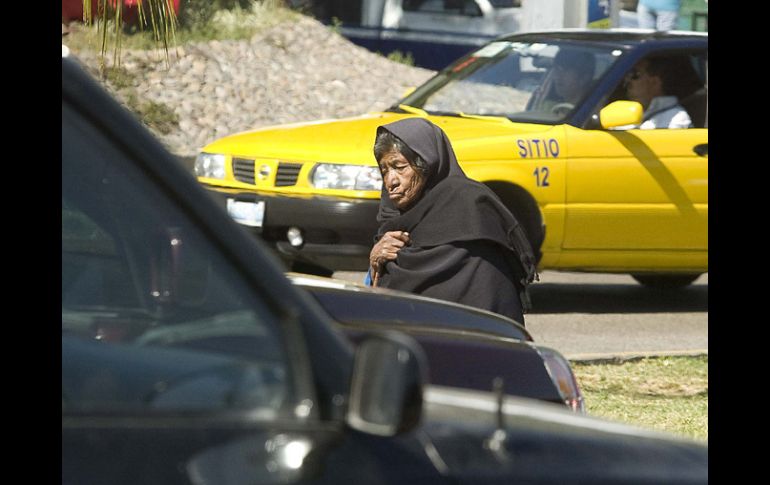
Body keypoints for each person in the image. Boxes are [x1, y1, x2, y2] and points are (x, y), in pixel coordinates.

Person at [367, 118, 538, 324]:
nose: (391, 181)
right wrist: (375, 260)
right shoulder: (393, 224)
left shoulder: (468, 208)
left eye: (400, 167)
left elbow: (487, 296)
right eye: (384, 170)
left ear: (427, 164)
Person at [624, 57, 693, 129]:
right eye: (627, 74)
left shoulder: (676, 119)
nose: (627, 81)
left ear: (655, 82)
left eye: (634, 74)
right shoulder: (630, 114)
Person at [530, 48, 595, 115]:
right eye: (557, 69)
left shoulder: (592, 113)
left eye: (565, 71)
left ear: (584, 78)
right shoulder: (548, 108)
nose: (558, 76)